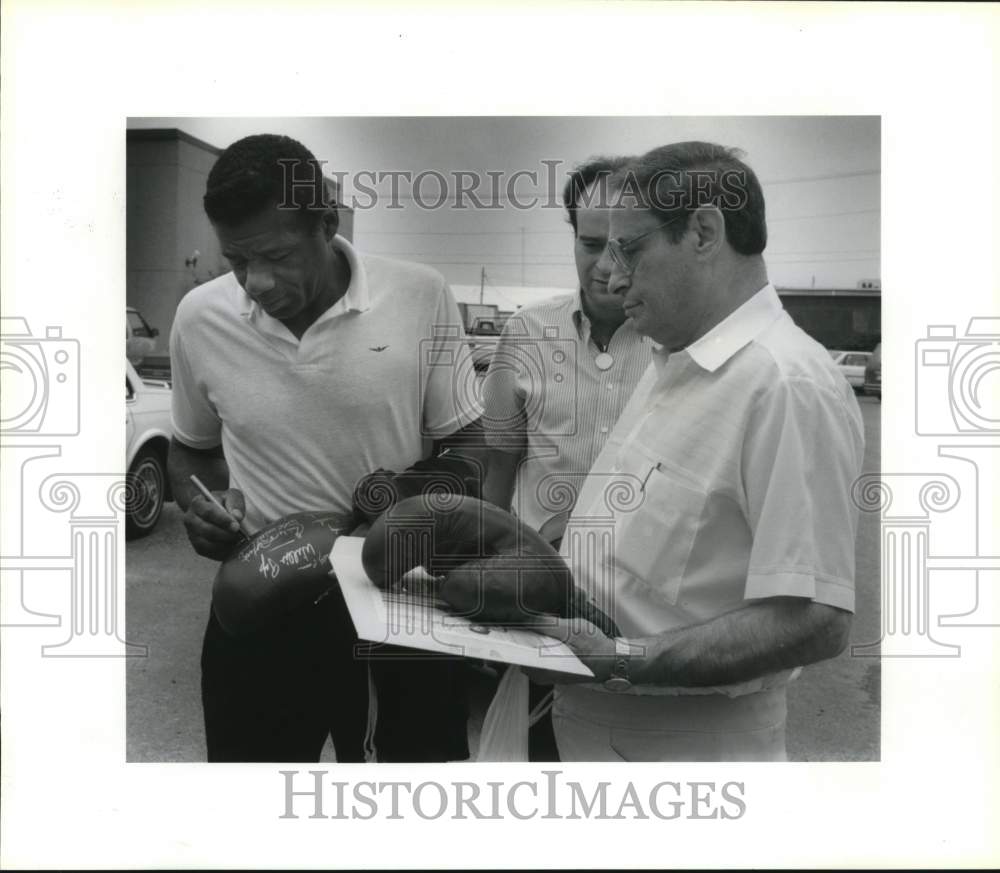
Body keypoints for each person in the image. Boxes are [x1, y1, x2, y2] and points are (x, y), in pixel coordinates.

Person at [529, 141, 864, 761]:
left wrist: (622, 661)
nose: (611, 274)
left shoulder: (783, 385)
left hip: (685, 751)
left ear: (704, 231)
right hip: (596, 730)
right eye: (600, 249)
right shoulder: (671, 361)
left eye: (630, 247)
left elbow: (815, 620)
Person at [167, 133, 484, 763]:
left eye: (278, 256)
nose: (256, 281)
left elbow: (472, 449)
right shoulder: (199, 317)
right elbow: (192, 450)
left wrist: (397, 507)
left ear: (328, 223)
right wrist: (199, 505)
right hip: (260, 607)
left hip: (401, 606)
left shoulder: (419, 295)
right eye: (236, 260)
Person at [480, 156, 650, 759]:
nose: (607, 265)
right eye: (590, 242)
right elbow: (498, 471)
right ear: (572, 234)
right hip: (545, 603)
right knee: (545, 763)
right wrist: (484, 585)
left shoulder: (676, 342)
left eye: (626, 245)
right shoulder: (526, 334)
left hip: (647, 604)